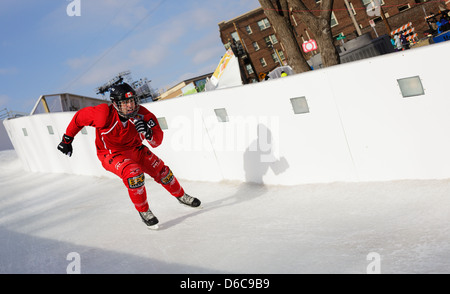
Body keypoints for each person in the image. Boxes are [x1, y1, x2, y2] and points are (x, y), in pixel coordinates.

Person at [57, 83, 201, 229]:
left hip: (136, 149)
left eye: (132, 101)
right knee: (134, 174)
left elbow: (157, 141)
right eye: (125, 102)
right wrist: (67, 140)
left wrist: (149, 132)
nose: (130, 106)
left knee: (163, 172)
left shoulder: (144, 115)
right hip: (111, 154)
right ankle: (144, 211)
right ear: (115, 104)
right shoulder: (103, 114)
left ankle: (181, 196)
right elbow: (79, 118)